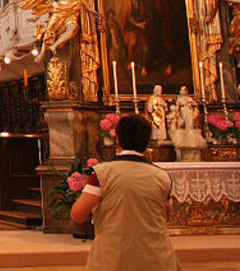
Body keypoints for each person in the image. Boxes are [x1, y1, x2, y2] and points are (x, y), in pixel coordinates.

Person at [71, 113, 180, 270]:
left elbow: (78, 214)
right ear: (147, 141)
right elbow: (166, 215)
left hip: (114, 259)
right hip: (157, 259)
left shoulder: (103, 173)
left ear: (118, 141)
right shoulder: (162, 176)